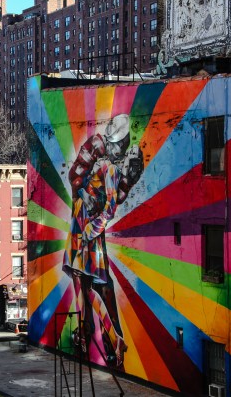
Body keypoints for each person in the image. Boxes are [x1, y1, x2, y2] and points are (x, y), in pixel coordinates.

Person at [64, 114, 142, 367]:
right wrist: (84, 193)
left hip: (87, 230)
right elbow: (75, 175)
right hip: (84, 226)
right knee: (89, 284)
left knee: (88, 283)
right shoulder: (99, 151)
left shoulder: (111, 168)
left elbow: (111, 204)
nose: (122, 152)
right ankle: (101, 337)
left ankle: (104, 337)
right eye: (122, 147)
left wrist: (88, 231)